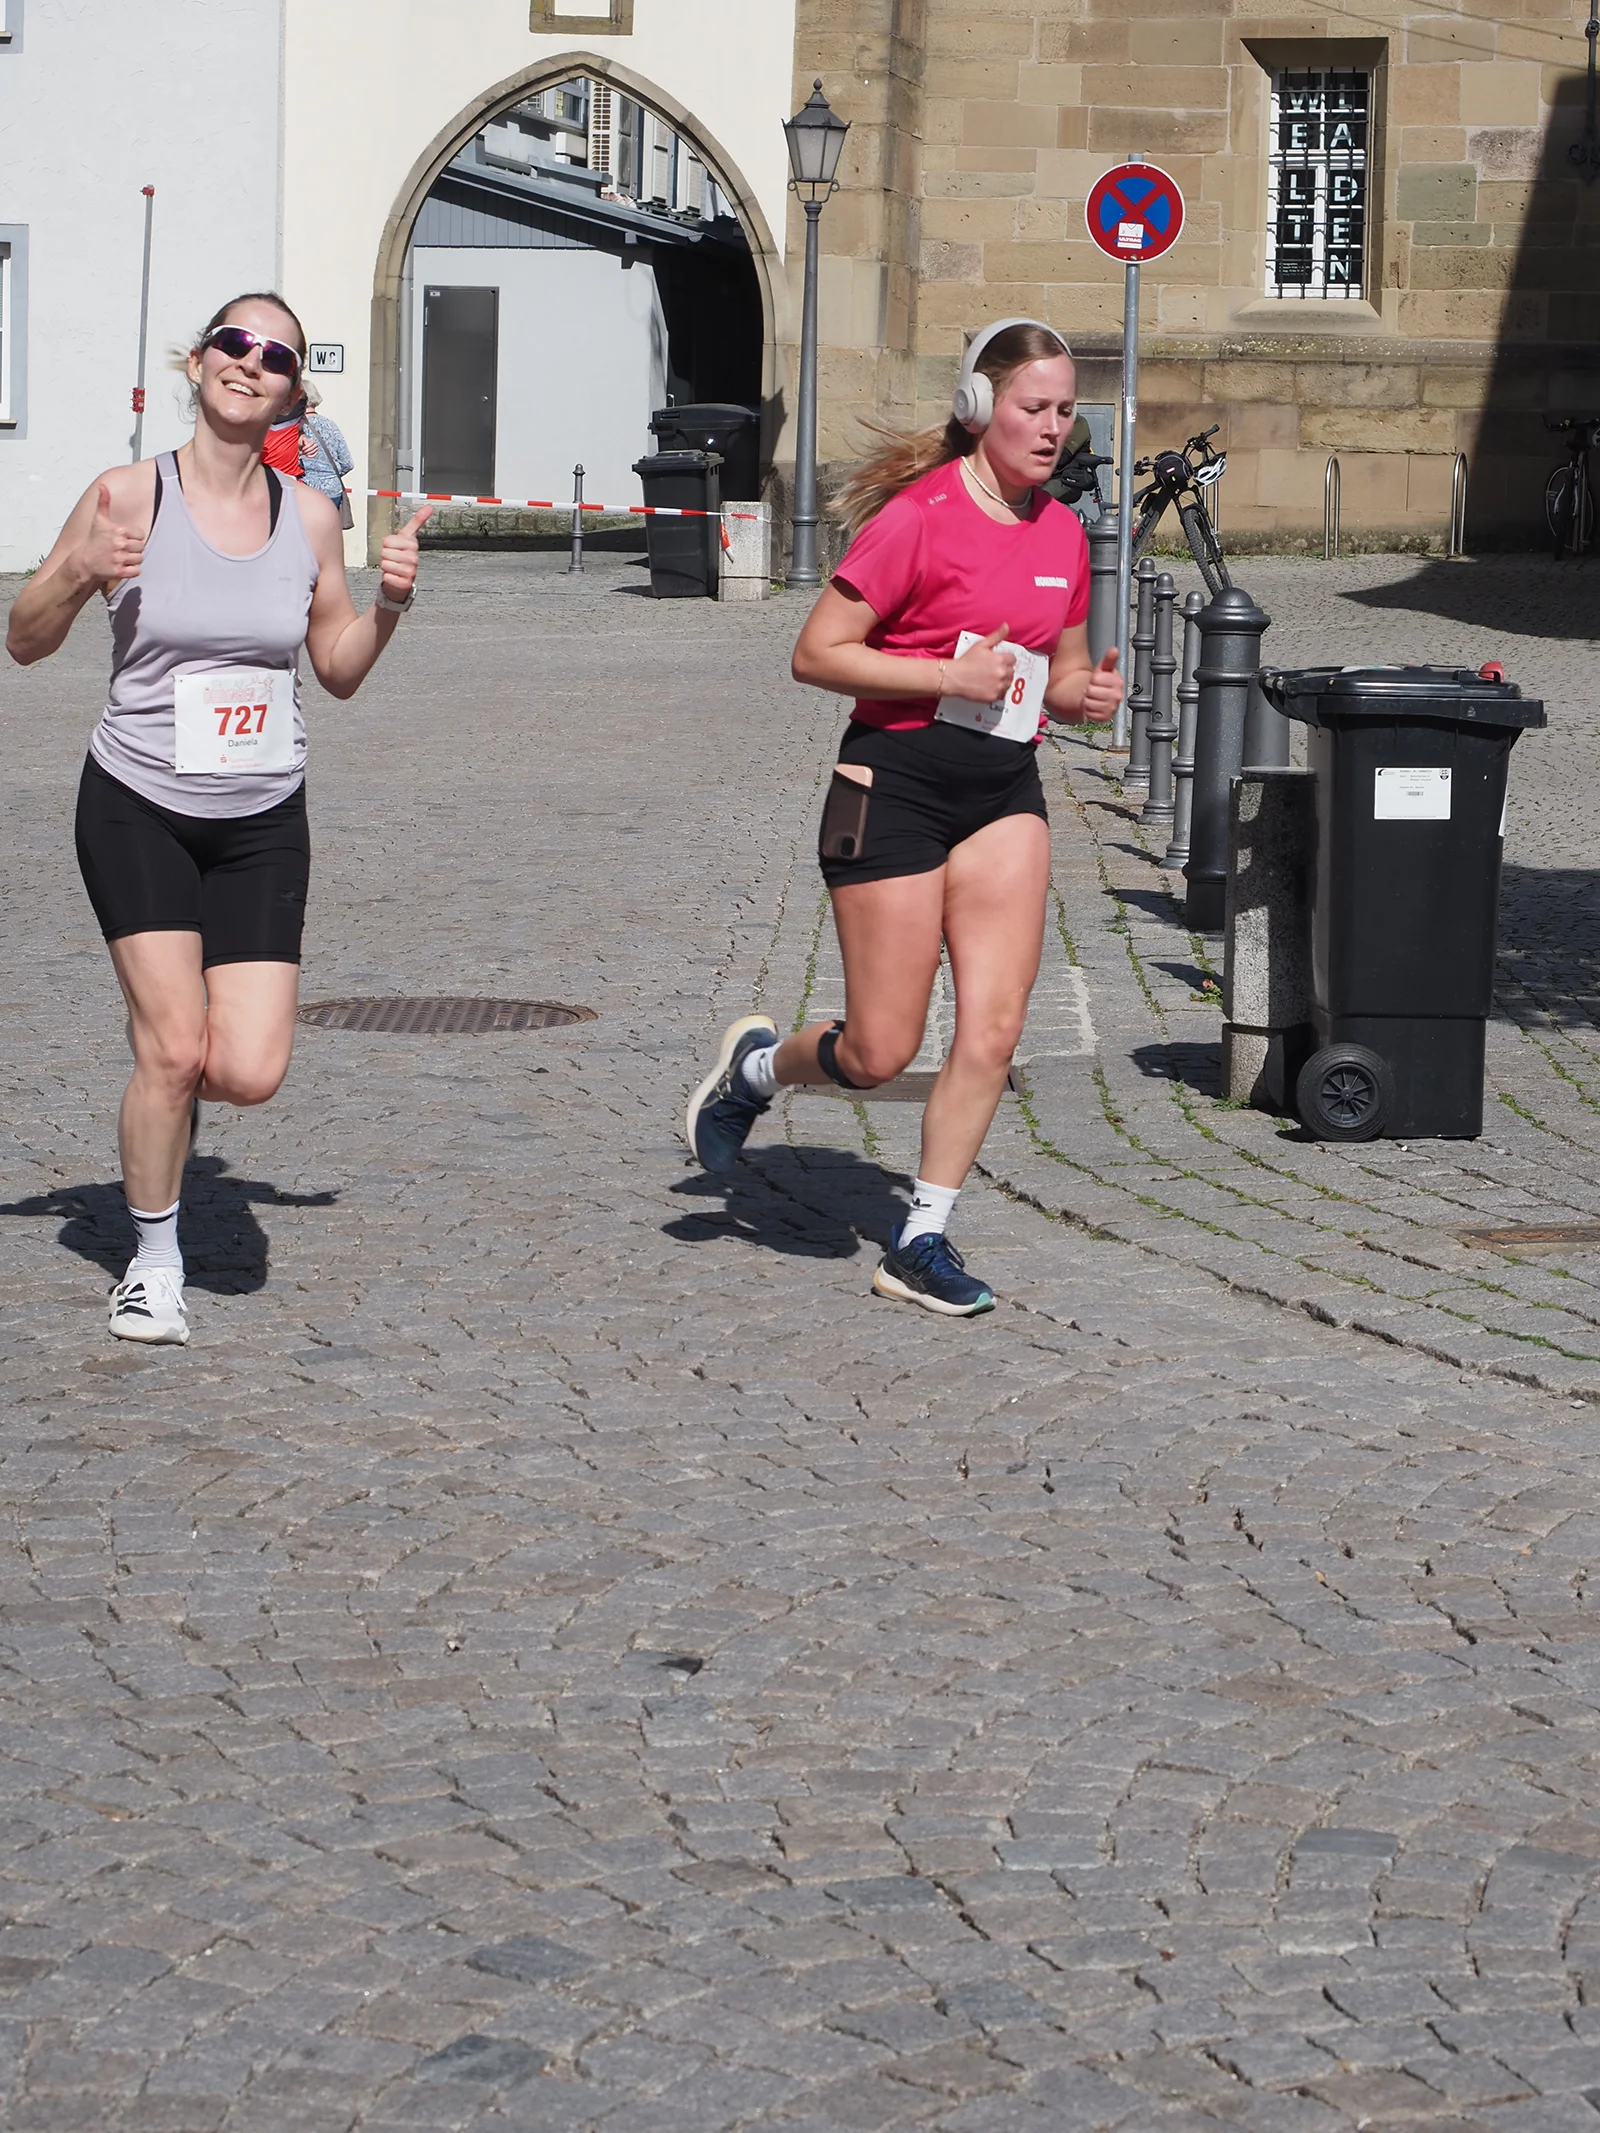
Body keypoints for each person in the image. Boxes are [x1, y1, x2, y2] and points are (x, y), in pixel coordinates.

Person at [5, 291, 431, 1346]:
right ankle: (153, 1264)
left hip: (260, 816)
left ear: (292, 391)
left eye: (276, 355)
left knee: (247, 1070)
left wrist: (388, 607)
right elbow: (23, 639)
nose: (252, 362)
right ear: (198, 363)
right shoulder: (125, 495)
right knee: (172, 1050)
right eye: (235, 343)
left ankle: (177, 1074)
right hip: (138, 804)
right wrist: (78, 572)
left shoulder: (312, 516)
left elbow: (335, 670)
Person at [685, 319, 1124, 1317]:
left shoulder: (1062, 531)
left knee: (995, 1027)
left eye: (1064, 411)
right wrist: (942, 677)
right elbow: (816, 652)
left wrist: (1081, 696)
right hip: (896, 787)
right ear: (978, 410)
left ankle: (920, 1236)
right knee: (879, 1052)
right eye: (1033, 408)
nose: (1051, 428)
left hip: (1001, 794)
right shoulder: (918, 518)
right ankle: (757, 1071)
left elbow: (1059, 671)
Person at [296, 379, 355, 529]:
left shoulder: (297, 428)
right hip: (333, 491)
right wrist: (328, 475)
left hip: (307, 490)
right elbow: (347, 463)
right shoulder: (330, 424)